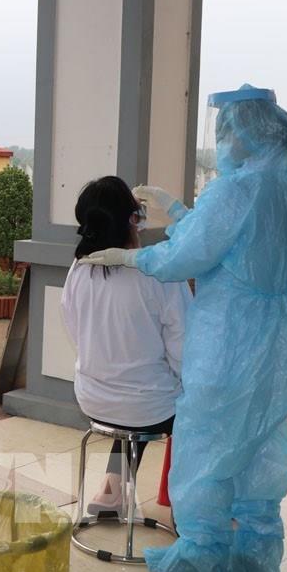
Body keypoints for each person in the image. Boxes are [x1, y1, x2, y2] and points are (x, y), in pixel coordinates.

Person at [81, 85, 287, 572]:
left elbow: (190, 255)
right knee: (259, 444)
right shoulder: (282, 187)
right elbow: (226, 240)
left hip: (230, 339)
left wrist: (134, 257)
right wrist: (181, 212)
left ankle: (201, 557)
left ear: (247, 132)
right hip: (276, 341)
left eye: (226, 129)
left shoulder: (237, 189)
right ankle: (256, 559)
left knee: (207, 446)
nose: (222, 138)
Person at [62, 176, 190, 516]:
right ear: (134, 219)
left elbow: (75, 330)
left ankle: (111, 492)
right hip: (148, 407)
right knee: (190, 406)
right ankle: (194, 511)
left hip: (92, 398)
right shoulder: (160, 271)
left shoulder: (79, 268)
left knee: (137, 396)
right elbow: (185, 349)